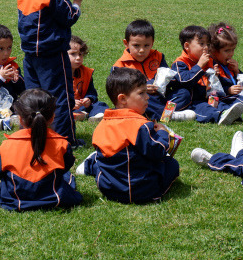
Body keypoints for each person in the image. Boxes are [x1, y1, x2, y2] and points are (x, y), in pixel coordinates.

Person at [17, 0, 84, 145]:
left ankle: (31, 137)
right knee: (60, 98)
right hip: (53, 55)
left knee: (33, 98)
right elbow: (68, 18)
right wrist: (77, 2)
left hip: (30, 55)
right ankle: (66, 140)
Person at [77, 68, 180, 204]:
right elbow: (158, 151)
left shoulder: (102, 124)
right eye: (141, 93)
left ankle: (91, 164)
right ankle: (91, 164)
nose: (147, 97)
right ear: (123, 99)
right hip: (140, 191)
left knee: (108, 159)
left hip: (107, 188)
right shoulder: (140, 126)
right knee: (171, 164)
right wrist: (162, 132)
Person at [0, 88, 82, 211]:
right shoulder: (62, 144)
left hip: (15, 199)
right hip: (53, 197)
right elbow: (66, 166)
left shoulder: (7, 146)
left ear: (21, 119)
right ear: (52, 117)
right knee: (67, 177)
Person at [168, 25, 233, 124]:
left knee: (222, 105)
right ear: (187, 46)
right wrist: (199, 66)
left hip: (207, 97)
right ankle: (220, 116)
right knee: (206, 110)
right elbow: (185, 81)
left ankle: (232, 112)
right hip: (190, 101)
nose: (206, 48)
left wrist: (216, 75)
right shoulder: (180, 63)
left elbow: (216, 85)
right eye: (201, 44)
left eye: (207, 44)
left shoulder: (209, 61)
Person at [112, 19, 172, 120]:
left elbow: (167, 76)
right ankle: (168, 114)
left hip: (161, 94)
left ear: (152, 43)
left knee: (183, 93)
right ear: (126, 43)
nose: (141, 50)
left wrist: (164, 82)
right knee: (143, 99)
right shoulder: (120, 66)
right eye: (136, 46)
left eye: (146, 45)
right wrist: (142, 89)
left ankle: (167, 111)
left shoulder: (158, 57)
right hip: (143, 98)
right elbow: (119, 93)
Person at [208, 22, 243, 124]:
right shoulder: (212, 65)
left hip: (235, 96)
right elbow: (212, 87)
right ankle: (234, 114)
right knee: (238, 101)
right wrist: (228, 90)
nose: (231, 54)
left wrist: (237, 71)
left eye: (233, 50)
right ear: (213, 50)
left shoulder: (227, 64)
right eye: (226, 51)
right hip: (222, 97)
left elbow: (237, 79)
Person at [69, 35, 108, 121]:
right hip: (65, 105)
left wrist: (89, 99)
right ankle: (76, 115)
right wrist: (70, 102)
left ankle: (94, 115)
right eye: (73, 54)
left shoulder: (85, 73)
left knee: (100, 105)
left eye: (80, 54)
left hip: (81, 105)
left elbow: (91, 91)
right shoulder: (57, 74)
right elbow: (54, 96)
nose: (78, 58)